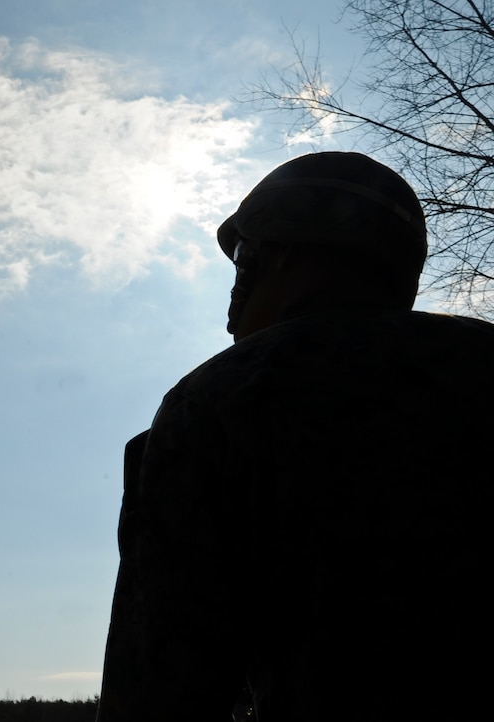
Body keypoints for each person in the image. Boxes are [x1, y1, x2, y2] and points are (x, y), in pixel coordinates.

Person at [96, 152, 494, 721]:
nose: (232, 299)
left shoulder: (212, 405)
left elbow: (157, 692)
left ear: (277, 253)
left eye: (241, 258)